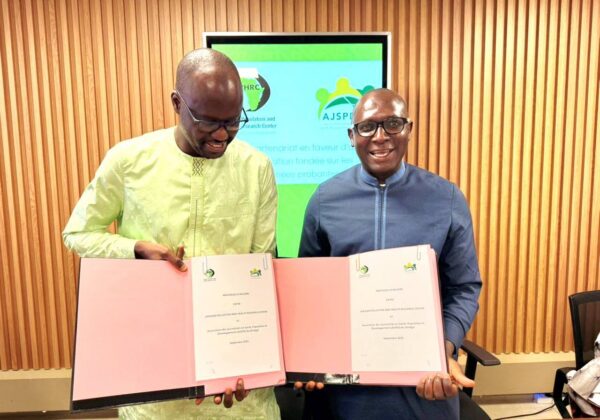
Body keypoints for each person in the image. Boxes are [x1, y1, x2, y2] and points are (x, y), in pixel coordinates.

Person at [63, 48, 280, 419]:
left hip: (236, 387)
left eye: (233, 121)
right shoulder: (129, 160)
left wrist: (250, 362)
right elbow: (79, 233)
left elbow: (262, 268)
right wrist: (134, 250)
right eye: (208, 122)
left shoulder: (256, 167)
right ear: (177, 103)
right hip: (155, 379)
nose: (222, 135)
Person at [298, 88, 482, 419]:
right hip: (345, 395)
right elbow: (308, 292)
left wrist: (443, 347)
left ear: (409, 128)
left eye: (393, 124)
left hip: (423, 388)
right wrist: (308, 355)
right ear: (352, 136)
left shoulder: (447, 199)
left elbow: (464, 287)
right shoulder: (324, 201)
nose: (380, 137)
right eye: (367, 127)